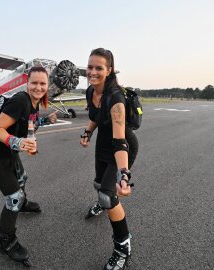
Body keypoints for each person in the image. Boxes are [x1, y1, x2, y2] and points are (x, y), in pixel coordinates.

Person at [0, 66, 57, 267]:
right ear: (27, 83)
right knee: (14, 197)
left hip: (9, 154)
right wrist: (18, 143)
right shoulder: (20, 101)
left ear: (47, 85)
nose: (38, 87)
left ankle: (23, 205)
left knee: (23, 179)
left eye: (42, 83)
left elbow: (28, 124)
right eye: (34, 83)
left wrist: (44, 121)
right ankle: (6, 241)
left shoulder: (34, 104)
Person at [80, 48, 138, 269]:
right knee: (99, 183)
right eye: (90, 67)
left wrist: (123, 174)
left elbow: (120, 141)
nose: (92, 72)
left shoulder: (116, 99)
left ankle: (123, 246)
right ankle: (102, 200)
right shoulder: (90, 91)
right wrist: (87, 133)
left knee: (107, 196)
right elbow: (95, 117)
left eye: (99, 68)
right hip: (103, 143)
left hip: (121, 145)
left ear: (109, 70)